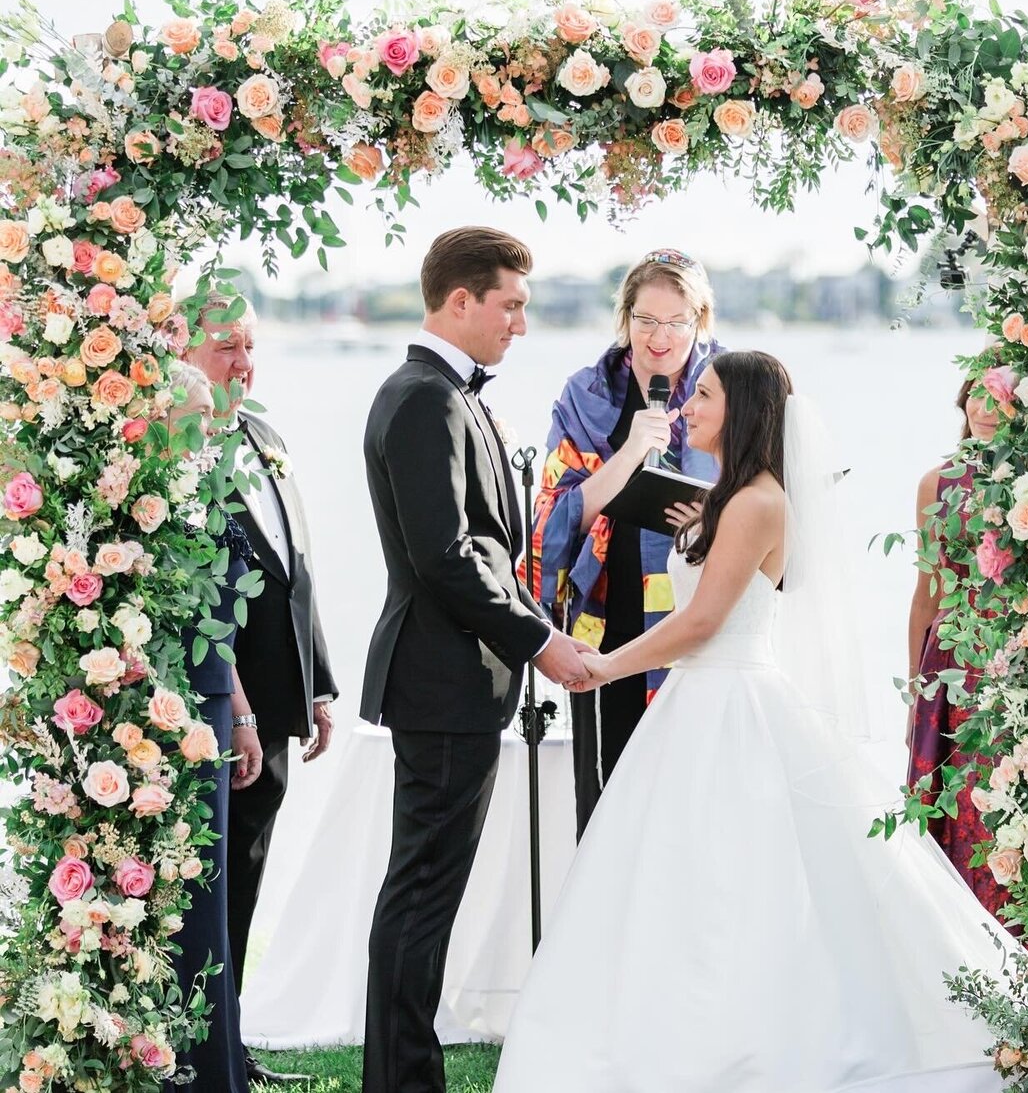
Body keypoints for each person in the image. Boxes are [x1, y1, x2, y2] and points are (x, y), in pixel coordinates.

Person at [495, 352, 1012, 1093]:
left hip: (730, 700)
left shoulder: (758, 502)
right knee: (676, 877)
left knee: (737, 876)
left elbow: (703, 622)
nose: (688, 408)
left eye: (702, 396)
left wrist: (606, 664)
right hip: (696, 701)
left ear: (741, 411)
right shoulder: (727, 498)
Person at [359, 226, 592, 1093]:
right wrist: (538, 641)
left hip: (456, 680)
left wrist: (542, 624)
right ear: (462, 300)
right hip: (443, 679)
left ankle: (401, 1076)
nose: (519, 325)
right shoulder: (425, 399)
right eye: (512, 305)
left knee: (424, 890)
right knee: (422, 893)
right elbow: (446, 558)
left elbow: (490, 555)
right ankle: (404, 1081)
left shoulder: (449, 394)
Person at [187, 295, 337, 1089]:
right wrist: (238, 708)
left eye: (250, 347)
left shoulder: (263, 436)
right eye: (226, 348)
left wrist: (317, 686)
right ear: (183, 347)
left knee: (248, 874)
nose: (243, 364)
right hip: (219, 707)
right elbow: (203, 595)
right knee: (211, 886)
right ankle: (206, 1051)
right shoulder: (177, 450)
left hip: (277, 702)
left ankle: (230, 1040)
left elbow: (292, 570)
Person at [529, 249, 720, 836]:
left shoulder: (727, 386)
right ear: (624, 318)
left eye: (676, 322)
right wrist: (632, 452)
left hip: (700, 610)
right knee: (614, 794)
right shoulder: (586, 393)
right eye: (645, 320)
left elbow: (763, 492)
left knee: (694, 796)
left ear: (700, 322)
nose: (659, 337)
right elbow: (555, 521)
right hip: (609, 615)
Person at [167, 364, 263, 1093]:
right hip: (166, 718)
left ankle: (218, 1069)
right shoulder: (149, 504)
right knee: (181, 895)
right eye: (188, 419)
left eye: (207, 419)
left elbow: (220, 625)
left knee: (212, 897)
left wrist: (243, 713)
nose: (204, 432)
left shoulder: (207, 494)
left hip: (210, 704)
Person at [906, 373, 1011, 920]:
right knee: (948, 816)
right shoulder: (937, 483)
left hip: (1012, 668)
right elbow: (928, 594)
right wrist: (915, 697)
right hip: (949, 668)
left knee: (1000, 818)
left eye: (1002, 399)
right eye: (978, 395)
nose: (986, 409)